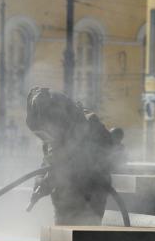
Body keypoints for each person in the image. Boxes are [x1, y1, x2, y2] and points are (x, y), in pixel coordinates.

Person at [26, 87, 124, 225]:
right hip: (65, 198)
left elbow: (70, 163)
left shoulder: (89, 125)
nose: (46, 136)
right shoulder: (54, 138)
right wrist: (40, 183)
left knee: (86, 236)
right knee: (63, 234)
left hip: (91, 192)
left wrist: (48, 181)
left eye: (47, 130)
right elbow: (49, 162)